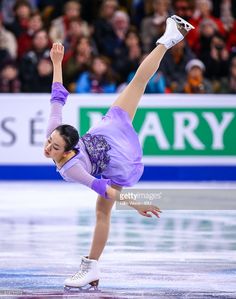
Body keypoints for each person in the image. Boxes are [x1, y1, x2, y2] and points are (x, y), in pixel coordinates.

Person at [45, 15, 194, 289]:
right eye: (49, 143)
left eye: (54, 146)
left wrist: (137, 203)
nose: (48, 148)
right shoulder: (56, 130)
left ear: (68, 149)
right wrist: (56, 64)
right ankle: (168, 39)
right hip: (107, 131)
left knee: (103, 211)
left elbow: (106, 190)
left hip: (114, 157)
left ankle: (91, 266)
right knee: (137, 83)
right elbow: (57, 95)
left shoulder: (71, 168)